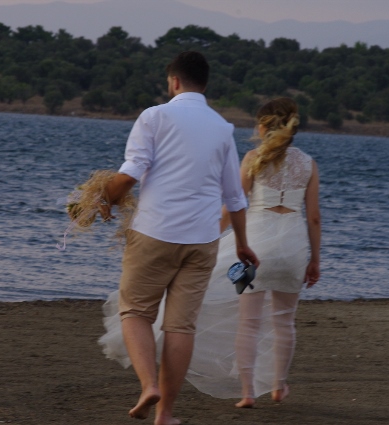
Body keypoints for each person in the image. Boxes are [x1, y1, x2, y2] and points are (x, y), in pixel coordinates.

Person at [97, 51, 259, 425]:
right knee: (181, 326)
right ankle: (166, 413)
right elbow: (235, 197)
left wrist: (105, 198)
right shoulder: (222, 129)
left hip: (155, 231)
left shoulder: (154, 116)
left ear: (174, 82)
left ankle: (148, 385)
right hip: (202, 240)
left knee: (135, 312)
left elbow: (131, 172)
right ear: (204, 83)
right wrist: (241, 244)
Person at [182, 97, 321, 407]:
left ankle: (247, 393)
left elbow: (232, 207)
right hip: (293, 248)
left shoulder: (253, 158)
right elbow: (314, 218)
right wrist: (315, 260)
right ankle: (278, 386)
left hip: (255, 249)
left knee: (249, 322)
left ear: (261, 127)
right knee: (285, 321)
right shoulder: (309, 164)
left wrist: (206, 237)